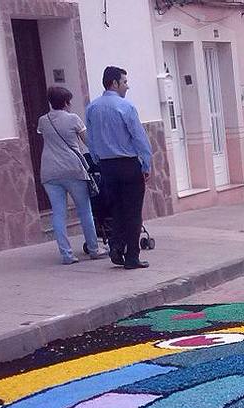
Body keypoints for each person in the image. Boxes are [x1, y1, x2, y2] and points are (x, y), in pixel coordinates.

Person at [85, 65, 153, 269]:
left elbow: (92, 139)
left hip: (107, 166)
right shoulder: (126, 107)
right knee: (133, 211)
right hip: (128, 164)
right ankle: (132, 256)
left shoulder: (92, 108)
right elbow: (139, 137)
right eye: (124, 82)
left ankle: (116, 245)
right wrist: (146, 162)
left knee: (116, 209)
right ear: (114, 83)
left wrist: (98, 160)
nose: (127, 86)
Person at [37, 85, 105, 265]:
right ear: (66, 102)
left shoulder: (43, 121)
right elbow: (87, 141)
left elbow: (44, 135)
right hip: (73, 169)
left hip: (49, 171)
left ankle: (66, 254)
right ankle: (94, 248)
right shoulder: (73, 119)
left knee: (58, 214)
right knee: (84, 211)